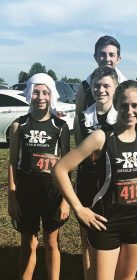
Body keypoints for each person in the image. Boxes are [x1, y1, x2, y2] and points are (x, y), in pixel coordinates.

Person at [52, 80, 137, 280]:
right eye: (123, 105)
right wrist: (79, 208)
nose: (129, 111)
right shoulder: (101, 137)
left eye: (135, 105)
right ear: (115, 104)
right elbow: (59, 169)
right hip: (106, 223)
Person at [8, 73, 70, 280]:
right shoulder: (19, 125)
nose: (40, 97)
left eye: (45, 92)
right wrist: (12, 196)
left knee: (52, 243)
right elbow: (12, 163)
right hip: (26, 191)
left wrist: (65, 201)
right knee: (28, 242)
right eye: (36, 92)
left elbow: (66, 166)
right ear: (29, 93)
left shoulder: (60, 127)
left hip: (51, 192)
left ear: (52, 94)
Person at [74, 66, 119, 278]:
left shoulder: (123, 116)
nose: (101, 90)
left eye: (106, 85)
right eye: (97, 85)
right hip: (87, 186)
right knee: (87, 240)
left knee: (114, 236)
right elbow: (79, 156)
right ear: (91, 88)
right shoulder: (82, 118)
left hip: (115, 186)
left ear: (115, 88)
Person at [74, 35, 127, 144]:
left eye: (112, 55)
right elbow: (78, 120)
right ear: (95, 57)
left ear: (118, 58)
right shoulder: (85, 86)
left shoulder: (126, 86)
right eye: (102, 54)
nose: (107, 59)